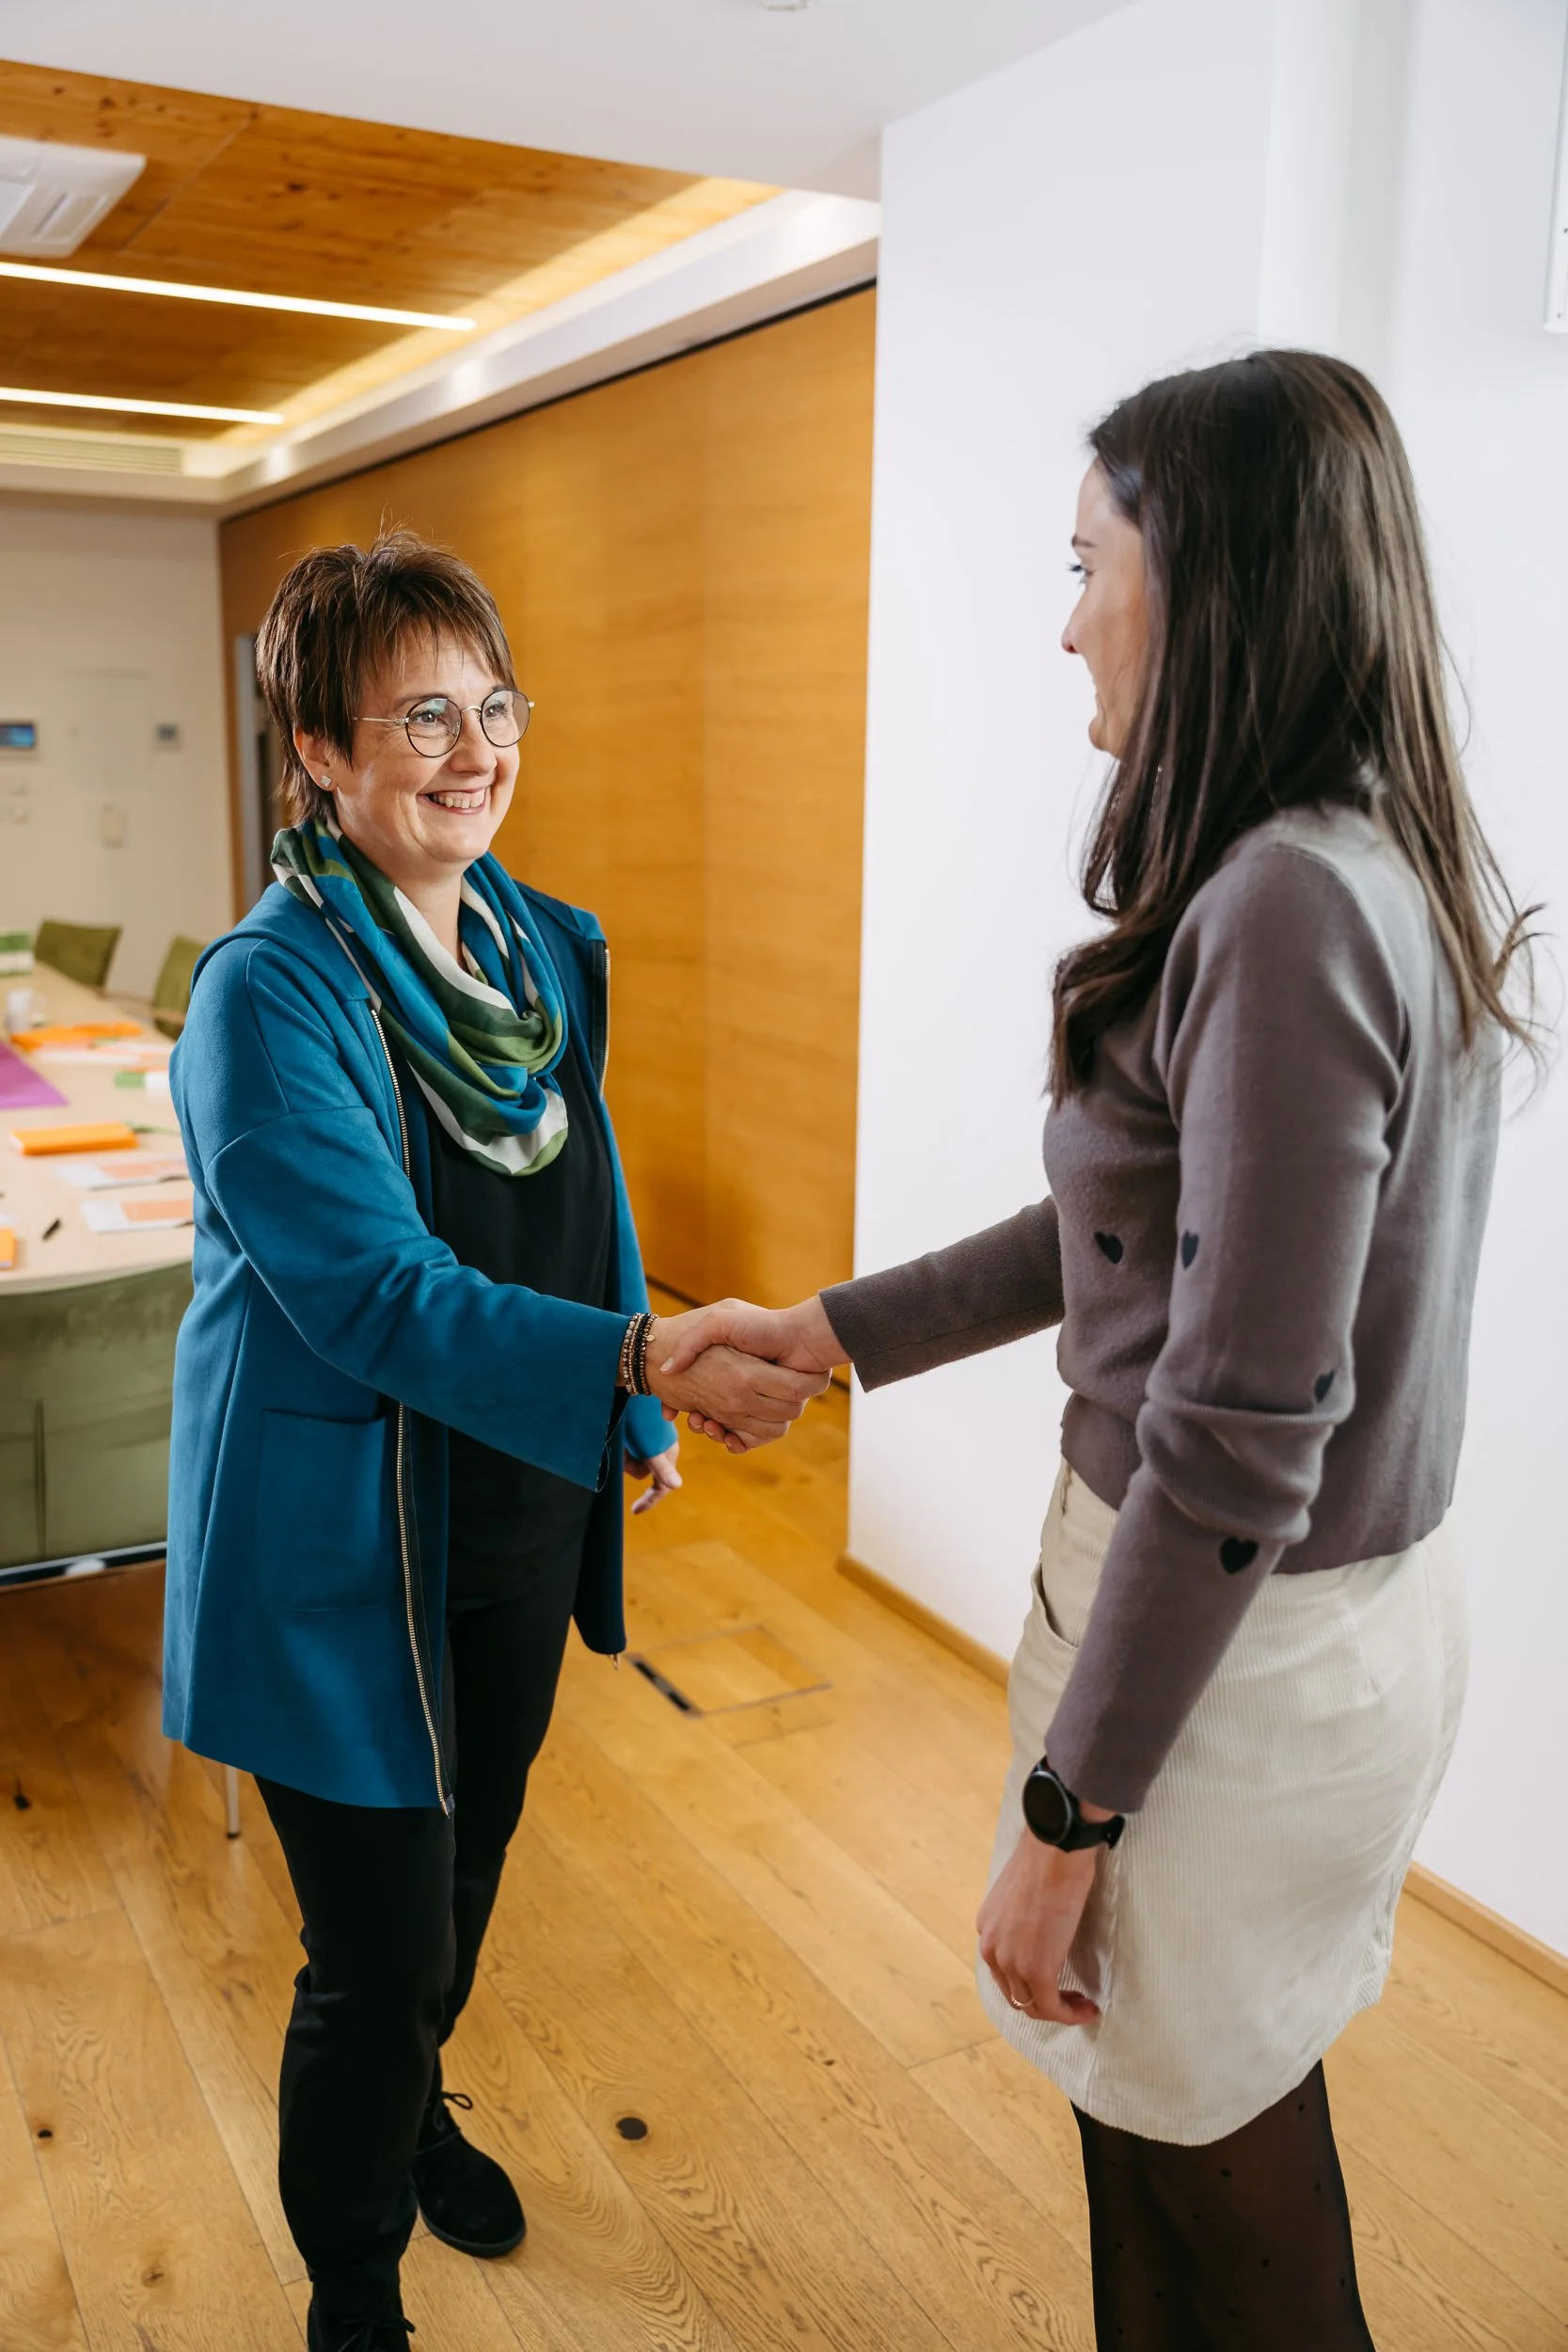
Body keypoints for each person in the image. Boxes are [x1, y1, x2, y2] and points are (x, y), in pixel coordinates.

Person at [666, 351, 1539, 2350]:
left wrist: (1070, 1822)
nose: (1065, 616)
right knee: (1174, 2131)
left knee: (1206, 2184)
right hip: (1296, 1649)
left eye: (1087, 564)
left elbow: (1234, 1430)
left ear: (1208, 577)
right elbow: (1129, 1231)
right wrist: (825, 1333)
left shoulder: (1280, 906)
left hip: (1222, 1682)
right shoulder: (1361, 859)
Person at [163, 532, 824, 2352]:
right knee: (374, 1958)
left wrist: (622, 1397)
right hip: (335, 1550)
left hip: (514, 1509)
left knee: (457, 1896)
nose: (473, 751)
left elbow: (579, 1181)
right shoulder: (268, 991)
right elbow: (373, 1293)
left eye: (494, 706)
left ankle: (416, 2111)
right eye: (419, 718)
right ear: (316, 749)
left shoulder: (535, 942)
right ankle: (351, 2282)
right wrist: (647, 1351)